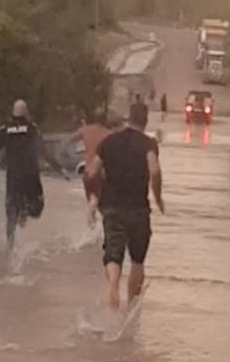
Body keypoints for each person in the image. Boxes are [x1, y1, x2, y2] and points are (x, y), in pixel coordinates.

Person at [86, 103, 165, 310]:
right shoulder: (148, 144)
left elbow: (91, 171)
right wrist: (158, 198)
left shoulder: (109, 142)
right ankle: (131, 305)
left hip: (112, 208)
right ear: (145, 120)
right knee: (137, 260)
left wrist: (93, 200)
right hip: (138, 209)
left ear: (128, 119)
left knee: (113, 254)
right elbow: (155, 171)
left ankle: (113, 287)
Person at [0, 100, 44, 252]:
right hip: (30, 176)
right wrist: (59, 169)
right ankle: (24, 223)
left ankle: (10, 245)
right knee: (36, 207)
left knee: (11, 211)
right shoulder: (32, 128)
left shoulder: (6, 128)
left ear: (13, 112)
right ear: (26, 112)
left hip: (13, 177)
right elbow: (43, 149)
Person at [64, 109, 112, 205]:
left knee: (91, 200)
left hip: (88, 172)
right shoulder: (109, 134)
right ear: (105, 120)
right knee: (104, 205)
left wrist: (64, 154)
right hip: (102, 173)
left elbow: (70, 140)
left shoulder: (85, 130)